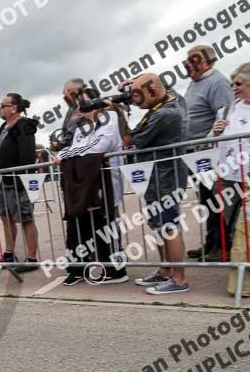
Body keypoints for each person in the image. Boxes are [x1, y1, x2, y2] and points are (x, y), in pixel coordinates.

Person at [121, 73, 190, 294]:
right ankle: (165, 270)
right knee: (158, 226)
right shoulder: (172, 99)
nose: (135, 100)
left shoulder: (164, 114)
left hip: (166, 177)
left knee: (169, 226)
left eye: (138, 95)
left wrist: (119, 112)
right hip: (155, 177)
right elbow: (157, 82)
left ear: (154, 91)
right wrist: (135, 81)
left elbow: (130, 140)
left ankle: (179, 280)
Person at [58, 88, 128, 286]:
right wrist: (67, 153)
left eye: (86, 102)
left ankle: (115, 270)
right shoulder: (81, 128)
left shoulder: (110, 120)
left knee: (107, 227)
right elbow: (75, 149)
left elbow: (99, 147)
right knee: (80, 226)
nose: (81, 107)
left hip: (106, 183)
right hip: (84, 184)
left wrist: (65, 155)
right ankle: (79, 268)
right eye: (79, 103)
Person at [183, 45, 236, 262]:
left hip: (208, 153)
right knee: (206, 200)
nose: (188, 65)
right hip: (196, 154)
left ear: (207, 62)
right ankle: (211, 242)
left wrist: (205, 142)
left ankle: (222, 246)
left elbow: (223, 116)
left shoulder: (218, 83)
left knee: (216, 199)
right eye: (187, 60)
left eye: (193, 60)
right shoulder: (194, 83)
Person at [212, 63, 250, 294]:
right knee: (234, 229)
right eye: (232, 83)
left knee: (244, 229)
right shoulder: (227, 109)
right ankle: (240, 277)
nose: (233, 88)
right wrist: (214, 131)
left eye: (238, 84)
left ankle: (243, 282)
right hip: (229, 176)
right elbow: (211, 140)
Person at [0, 92, 40, 272]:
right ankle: (9, 253)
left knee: (26, 219)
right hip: (2, 181)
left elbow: (27, 157)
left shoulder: (24, 125)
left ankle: (32, 258)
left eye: (2, 106)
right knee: (5, 217)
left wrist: (22, 181)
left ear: (13, 108)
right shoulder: (4, 126)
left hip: (18, 182)